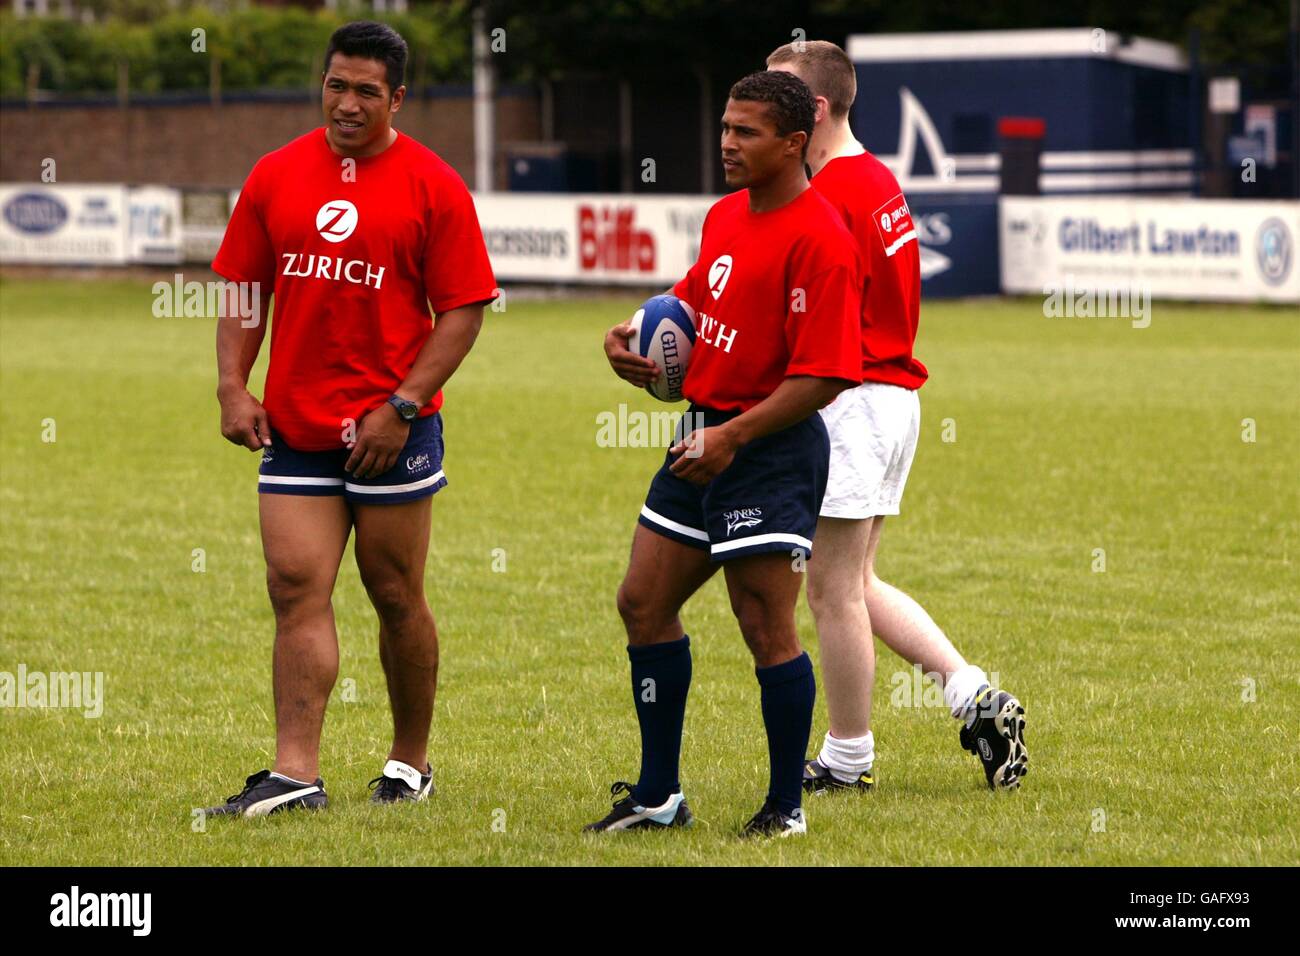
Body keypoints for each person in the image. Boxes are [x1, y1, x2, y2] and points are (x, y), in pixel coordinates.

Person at [204, 20, 497, 817]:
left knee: (395, 592)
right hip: (296, 426)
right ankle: (295, 773)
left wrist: (401, 407)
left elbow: (465, 309)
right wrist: (234, 386)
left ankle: (409, 762)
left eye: (367, 90)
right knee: (294, 585)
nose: (348, 102)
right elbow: (240, 288)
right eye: (337, 84)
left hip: (390, 433)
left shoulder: (433, 184)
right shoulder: (275, 174)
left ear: (397, 98)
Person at [592, 70, 863, 837]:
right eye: (724, 128)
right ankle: (657, 797)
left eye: (745, 132)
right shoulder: (724, 218)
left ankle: (785, 808)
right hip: (700, 435)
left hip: (768, 448)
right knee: (642, 603)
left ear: (793, 142)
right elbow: (694, 303)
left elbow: (827, 374)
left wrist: (735, 436)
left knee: (763, 623)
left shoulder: (822, 240)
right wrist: (630, 339)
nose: (727, 144)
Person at [766, 40, 1028, 791]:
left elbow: (814, 314)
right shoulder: (874, 176)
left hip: (854, 401)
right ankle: (973, 695)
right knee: (855, 579)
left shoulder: (832, 194)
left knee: (831, 590)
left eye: (775, 96)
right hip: (891, 400)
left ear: (813, 109)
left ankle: (848, 759)